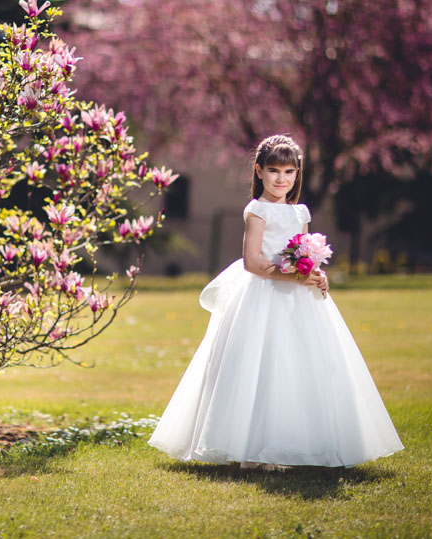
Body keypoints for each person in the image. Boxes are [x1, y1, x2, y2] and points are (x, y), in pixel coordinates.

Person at [148, 134, 403, 469]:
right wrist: (292, 276)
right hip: (262, 295)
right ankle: (254, 446)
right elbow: (253, 262)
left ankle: (298, 444)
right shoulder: (257, 210)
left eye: (289, 172)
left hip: (300, 301)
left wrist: (315, 275)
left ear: (297, 175)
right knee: (260, 364)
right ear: (259, 171)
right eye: (273, 171)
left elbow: (305, 253)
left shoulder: (300, 212)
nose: (281, 179)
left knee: (300, 365)